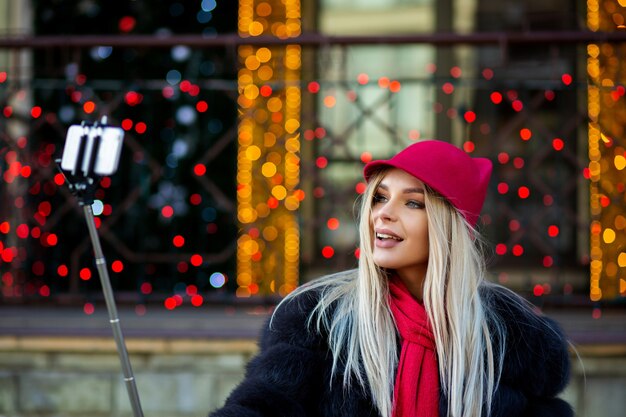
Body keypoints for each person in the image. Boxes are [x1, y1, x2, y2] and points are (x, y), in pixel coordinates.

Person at [210, 140, 572, 417]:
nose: (384, 214)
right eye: (380, 198)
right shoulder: (318, 319)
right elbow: (260, 407)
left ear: (451, 226)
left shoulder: (515, 338)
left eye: (412, 202)